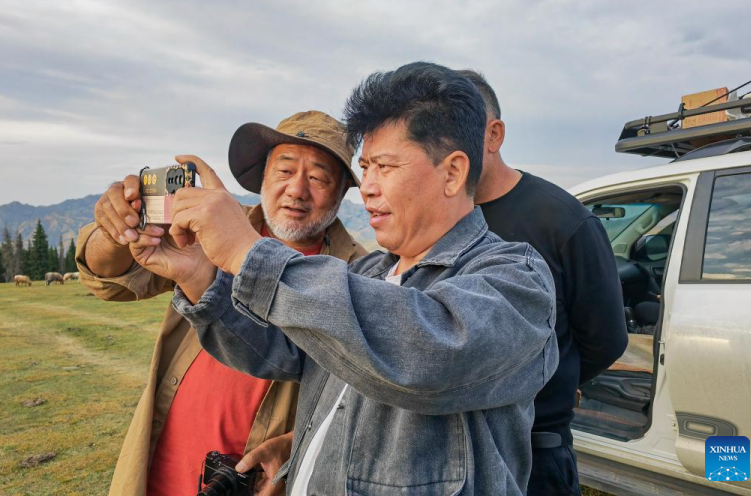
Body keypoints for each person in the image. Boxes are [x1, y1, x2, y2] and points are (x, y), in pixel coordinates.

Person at [141, 62, 559, 495]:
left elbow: (426, 351)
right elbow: (277, 349)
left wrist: (248, 253)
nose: (369, 187)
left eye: (385, 166)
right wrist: (199, 276)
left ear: (452, 173)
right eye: (366, 167)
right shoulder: (365, 273)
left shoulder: (516, 279)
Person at [76, 111, 366, 496]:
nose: (297, 189)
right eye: (284, 170)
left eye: (318, 177)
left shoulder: (360, 274)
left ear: (342, 189)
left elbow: (363, 400)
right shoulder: (207, 230)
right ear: (264, 175)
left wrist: (297, 444)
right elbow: (109, 281)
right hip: (162, 469)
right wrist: (115, 231)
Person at [460, 69, 628, 496]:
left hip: (536, 455)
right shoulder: (443, 219)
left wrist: (548, 381)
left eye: (455, 131)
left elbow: (605, 339)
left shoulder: (564, 221)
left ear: (493, 135)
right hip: (449, 450)